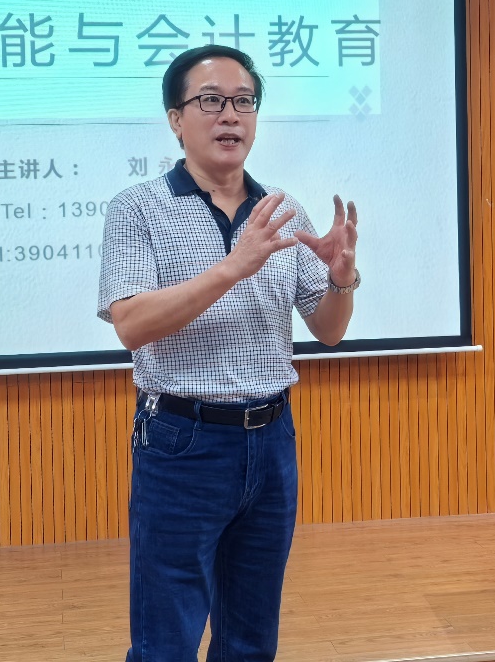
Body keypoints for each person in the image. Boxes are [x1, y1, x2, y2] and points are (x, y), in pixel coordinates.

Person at [97, 44, 360, 661]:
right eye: (211, 101)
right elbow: (132, 324)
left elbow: (328, 330)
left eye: (244, 102)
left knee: (250, 638)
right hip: (182, 442)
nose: (230, 116)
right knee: (166, 641)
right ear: (175, 118)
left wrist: (342, 280)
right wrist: (233, 267)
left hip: (271, 441)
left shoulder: (281, 210)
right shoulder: (138, 208)